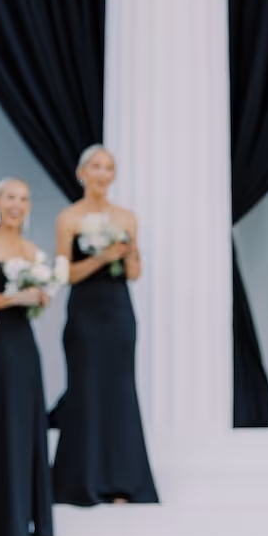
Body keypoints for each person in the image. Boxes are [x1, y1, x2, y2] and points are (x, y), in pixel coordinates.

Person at [52, 145, 158, 507]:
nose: (102, 174)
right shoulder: (69, 218)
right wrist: (100, 257)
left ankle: (123, 479)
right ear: (82, 173)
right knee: (85, 387)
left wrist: (130, 255)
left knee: (119, 388)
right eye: (96, 167)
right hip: (85, 310)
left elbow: (134, 273)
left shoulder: (126, 218)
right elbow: (65, 273)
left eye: (108, 168)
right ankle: (84, 479)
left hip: (118, 310)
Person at [0, 180, 55, 536]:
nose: (17, 204)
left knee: (23, 423)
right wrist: (15, 297)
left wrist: (39, 299)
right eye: (10, 197)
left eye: (24, 198)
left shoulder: (32, 250)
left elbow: (34, 305)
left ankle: (24, 514)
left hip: (23, 343)